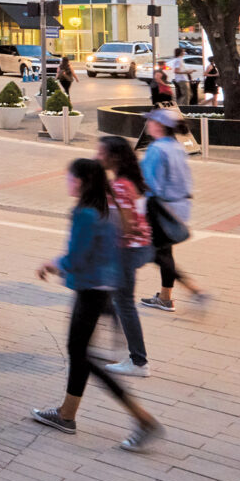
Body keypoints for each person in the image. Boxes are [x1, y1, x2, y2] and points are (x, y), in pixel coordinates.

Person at [32, 158, 163, 451]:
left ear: (81, 182)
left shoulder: (85, 214)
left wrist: (52, 264)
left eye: (70, 178)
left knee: (85, 358)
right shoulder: (109, 206)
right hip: (104, 289)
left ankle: (143, 419)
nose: (67, 182)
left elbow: (76, 258)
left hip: (90, 290)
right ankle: (66, 414)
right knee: (81, 355)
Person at [140, 108, 207, 312]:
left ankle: (194, 290)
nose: (147, 125)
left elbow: (150, 184)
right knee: (164, 251)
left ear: (159, 126)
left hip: (159, 207)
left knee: (154, 253)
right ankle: (166, 297)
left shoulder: (157, 149)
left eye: (150, 121)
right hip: (179, 207)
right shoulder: (176, 147)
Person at [97, 134, 154, 377]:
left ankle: (138, 361)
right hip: (135, 248)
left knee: (124, 304)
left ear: (115, 157)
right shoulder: (128, 181)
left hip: (126, 250)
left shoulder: (120, 186)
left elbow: (126, 224)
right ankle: (120, 350)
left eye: (102, 153)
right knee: (114, 299)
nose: (98, 156)